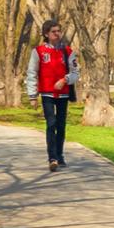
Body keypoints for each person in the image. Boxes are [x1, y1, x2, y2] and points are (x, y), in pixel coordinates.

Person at [23, 20, 80, 172]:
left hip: (63, 94)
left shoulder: (67, 51)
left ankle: (60, 155)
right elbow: (32, 73)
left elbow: (75, 73)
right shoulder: (39, 51)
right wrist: (32, 95)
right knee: (51, 123)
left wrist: (65, 80)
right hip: (47, 93)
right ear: (46, 34)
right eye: (54, 31)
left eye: (58, 31)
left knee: (61, 125)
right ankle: (52, 157)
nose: (57, 34)